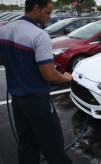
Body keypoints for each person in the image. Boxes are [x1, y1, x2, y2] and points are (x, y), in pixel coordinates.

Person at [0, 0, 73, 164]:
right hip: (38, 102)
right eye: (47, 12)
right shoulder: (39, 35)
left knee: (27, 146)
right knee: (53, 148)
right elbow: (50, 76)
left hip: (18, 102)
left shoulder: (4, 30)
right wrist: (66, 77)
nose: (50, 16)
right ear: (36, 8)